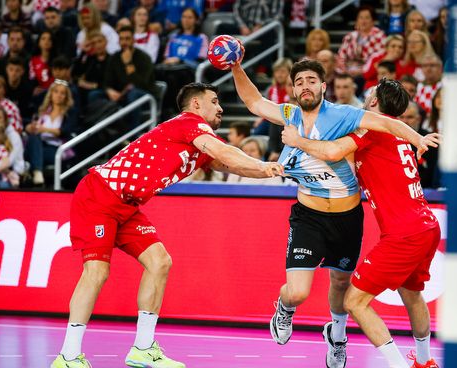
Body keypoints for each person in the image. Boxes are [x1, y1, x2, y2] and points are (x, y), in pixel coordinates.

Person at [50, 82, 285, 368]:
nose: (221, 107)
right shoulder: (189, 124)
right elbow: (226, 154)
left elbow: (234, 166)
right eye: (214, 101)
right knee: (97, 271)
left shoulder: (199, 145)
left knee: (160, 262)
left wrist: (272, 170)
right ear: (196, 105)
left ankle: (143, 348)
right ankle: (68, 356)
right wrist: (263, 166)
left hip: (127, 205)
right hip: (100, 194)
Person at [231, 58, 438, 368]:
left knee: (344, 288)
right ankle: (286, 310)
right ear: (293, 88)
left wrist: (297, 141)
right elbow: (254, 101)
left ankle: (338, 338)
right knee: (302, 293)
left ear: (323, 86)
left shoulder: (348, 118)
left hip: (350, 218)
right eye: (299, 81)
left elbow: (367, 132)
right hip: (313, 215)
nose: (305, 85)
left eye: (311, 80)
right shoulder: (290, 114)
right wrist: (236, 66)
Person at [281, 79, 441, 368]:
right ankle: (425, 361)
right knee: (412, 293)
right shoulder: (400, 133)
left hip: (403, 233)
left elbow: (332, 152)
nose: (365, 98)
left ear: (376, 103)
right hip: (426, 226)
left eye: (370, 95)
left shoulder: (370, 128)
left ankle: (399, 366)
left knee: (354, 302)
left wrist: (297, 141)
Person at [25, 79, 78, 186]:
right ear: (51, 93)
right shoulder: (42, 111)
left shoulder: (69, 113)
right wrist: (28, 127)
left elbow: (64, 131)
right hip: (39, 145)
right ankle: (37, 173)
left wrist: (44, 130)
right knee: (34, 138)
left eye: (62, 93)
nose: (59, 95)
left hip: (56, 150)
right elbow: (33, 127)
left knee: (33, 153)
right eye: (56, 91)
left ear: (66, 97)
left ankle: (33, 172)